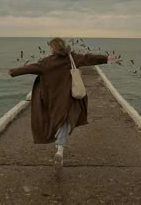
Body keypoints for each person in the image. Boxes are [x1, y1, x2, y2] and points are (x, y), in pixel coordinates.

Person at [8, 37, 115, 174]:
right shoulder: (72, 57)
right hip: (69, 97)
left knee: (57, 121)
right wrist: (106, 58)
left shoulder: (46, 62)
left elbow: (31, 68)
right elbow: (89, 58)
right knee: (64, 121)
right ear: (63, 46)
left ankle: (59, 149)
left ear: (52, 48)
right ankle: (60, 150)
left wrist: (14, 72)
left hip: (52, 98)